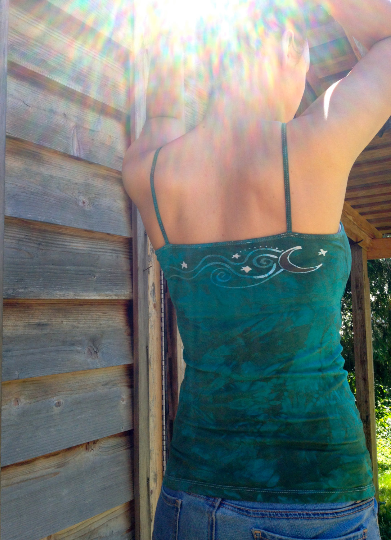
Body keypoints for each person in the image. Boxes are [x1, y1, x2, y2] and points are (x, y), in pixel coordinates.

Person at [122, 0, 391, 538]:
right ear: (287, 52)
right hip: (317, 499)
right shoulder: (317, 142)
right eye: (305, 63)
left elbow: (163, 102)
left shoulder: (148, 171)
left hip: (189, 501)